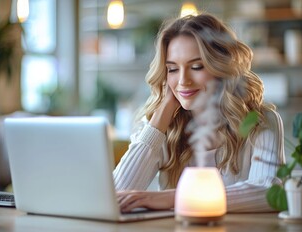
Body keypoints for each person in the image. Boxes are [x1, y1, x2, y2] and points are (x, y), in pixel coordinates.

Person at [113, 13, 285, 213]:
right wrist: (162, 114)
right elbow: (116, 195)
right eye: (172, 69)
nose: (183, 80)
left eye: (196, 66)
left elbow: (269, 192)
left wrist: (173, 197)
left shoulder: (261, 122)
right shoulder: (159, 125)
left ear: (222, 68)